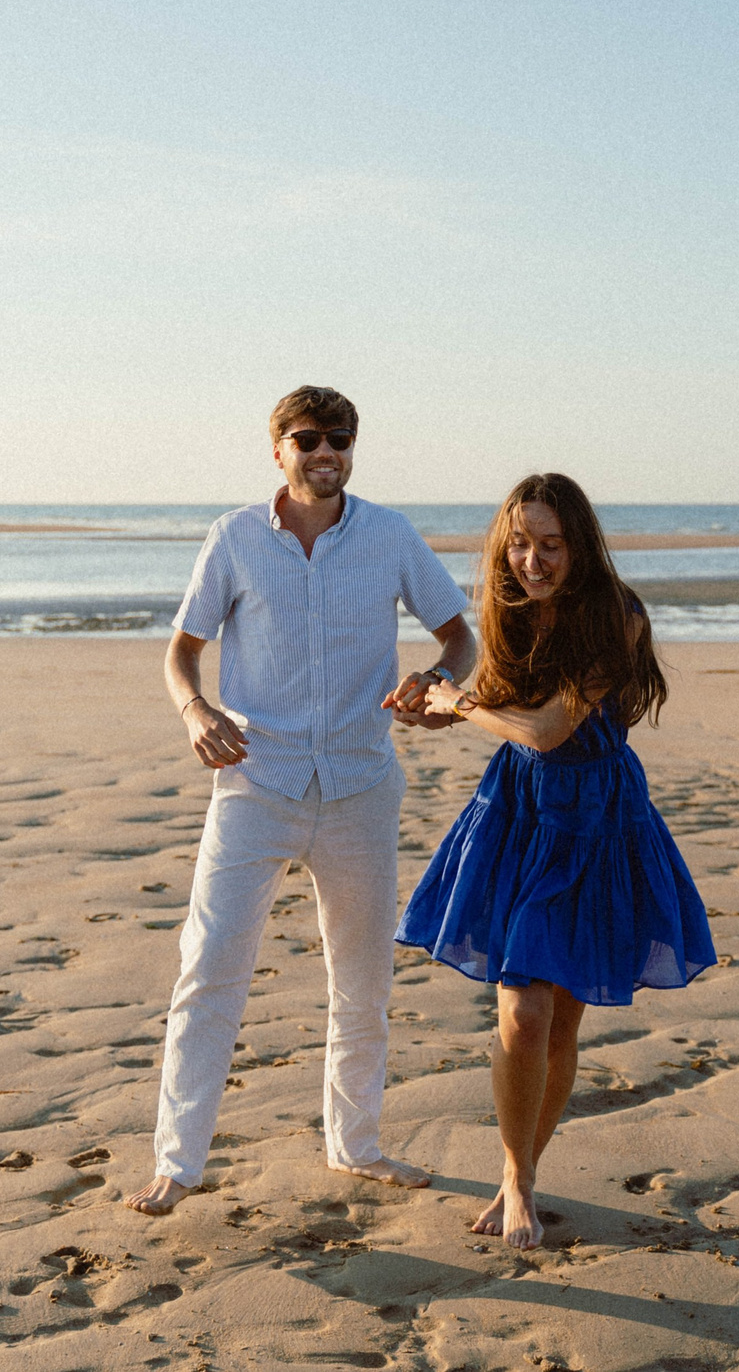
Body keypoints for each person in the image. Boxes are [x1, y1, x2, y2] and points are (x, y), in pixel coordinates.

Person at [126, 386, 478, 1216]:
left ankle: (356, 1145)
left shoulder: (390, 534)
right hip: (257, 780)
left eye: (341, 438)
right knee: (209, 968)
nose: (328, 452)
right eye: (310, 437)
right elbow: (180, 652)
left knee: (363, 978)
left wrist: (437, 679)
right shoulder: (235, 537)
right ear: (278, 448)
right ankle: (177, 1163)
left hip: (361, 784)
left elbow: (459, 635)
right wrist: (196, 711)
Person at [392, 472, 715, 1249]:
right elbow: (502, 711)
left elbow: (545, 729)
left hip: (597, 819)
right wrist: (431, 703)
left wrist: (461, 705)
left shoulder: (617, 617)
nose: (532, 561)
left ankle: (520, 1176)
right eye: (520, 545)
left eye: (550, 545)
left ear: (580, 547)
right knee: (522, 1011)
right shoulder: (508, 608)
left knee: (562, 1016)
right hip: (520, 813)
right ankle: (518, 1177)